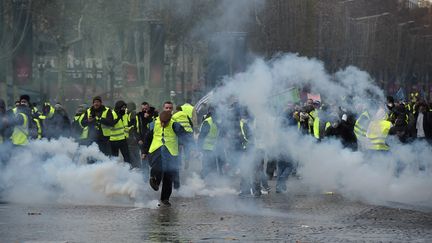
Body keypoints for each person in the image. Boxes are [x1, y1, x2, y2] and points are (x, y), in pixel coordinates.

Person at [143, 108, 187, 207]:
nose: (163, 124)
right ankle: (154, 181)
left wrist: (187, 147)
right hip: (156, 151)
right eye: (162, 122)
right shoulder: (154, 124)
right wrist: (144, 152)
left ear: (169, 120)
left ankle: (165, 199)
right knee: (157, 168)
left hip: (170, 153)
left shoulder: (175, 125)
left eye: (165, 123)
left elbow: (184, 137)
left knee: (168, 176)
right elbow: (147, 138)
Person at [110, 100, 131, 165]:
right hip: (113, 140)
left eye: (125, 108)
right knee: (114, 158)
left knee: (127, 157)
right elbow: (110, 125)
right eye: (122, 108)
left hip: (123, 139)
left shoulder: (125, 115)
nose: (123, 109)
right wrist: (118, 117)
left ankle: (127, 171)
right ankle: (114, 171)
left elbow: (126, 126)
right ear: (118, 107)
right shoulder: (112, 114)